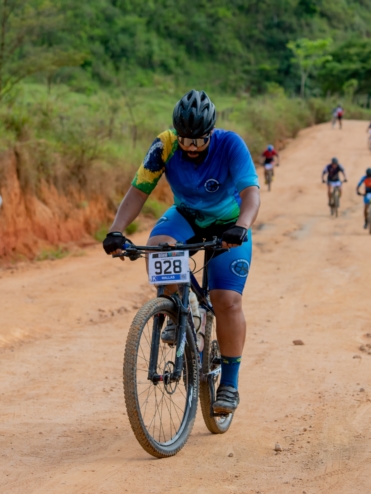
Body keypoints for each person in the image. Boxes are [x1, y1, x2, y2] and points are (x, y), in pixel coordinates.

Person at [102, 89, 261, 415]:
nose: (191, 147)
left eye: (199, 140)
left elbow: (251, 193)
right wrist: (116, 230)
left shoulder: (230, 144)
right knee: (158, 247)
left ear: (211, 132)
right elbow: (138, 191)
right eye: (185, 139)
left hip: (228, 224)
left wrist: (242, 226)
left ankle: (229, 384)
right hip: (186, 216)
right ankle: (179, 307)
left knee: (227, 300)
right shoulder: (165, 145)